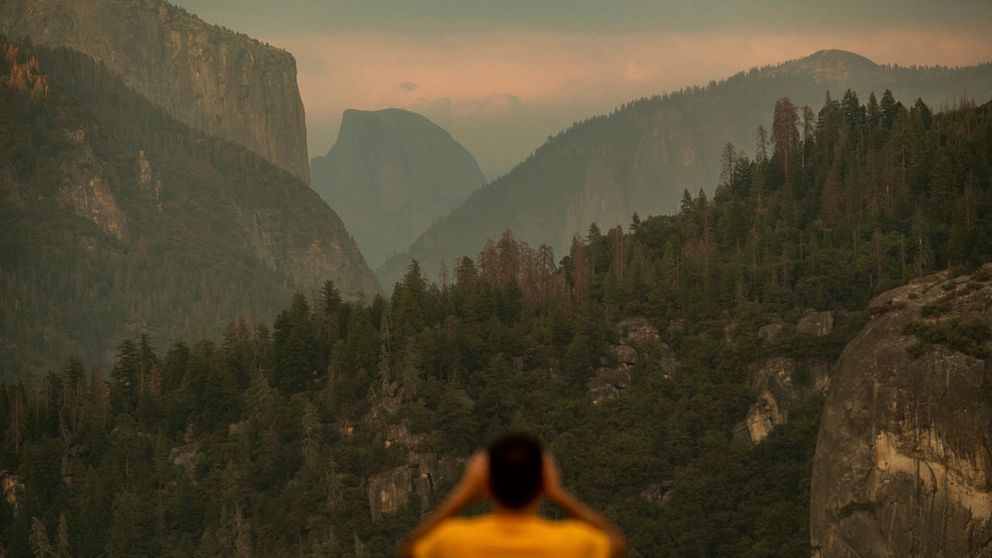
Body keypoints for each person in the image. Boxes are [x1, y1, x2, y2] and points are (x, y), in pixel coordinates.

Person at [399, 434, 627, 558]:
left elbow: (409, 549)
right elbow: (616, 543)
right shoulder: (572, 543)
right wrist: (557, 493)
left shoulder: (454, 541)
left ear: (487, 487)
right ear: (542, 485)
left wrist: (465, 492)